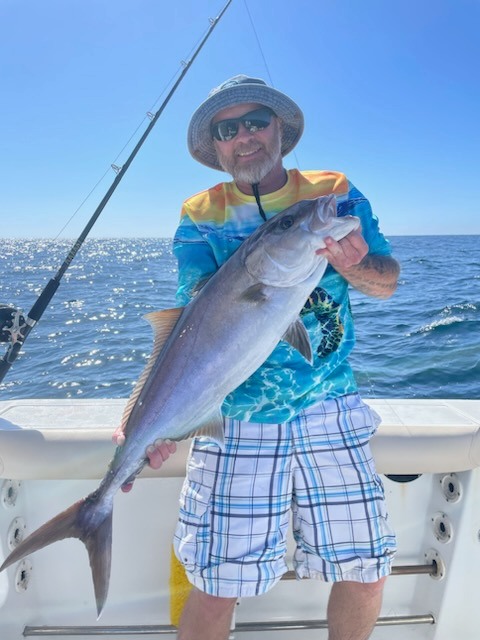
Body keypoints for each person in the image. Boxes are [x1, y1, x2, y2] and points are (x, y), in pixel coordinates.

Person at [116, 75, 400, 640]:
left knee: (367, 572)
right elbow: (187, 321)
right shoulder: (200, 212)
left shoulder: (333, 192)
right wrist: (155, 416)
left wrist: (350, 264)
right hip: (235, 417)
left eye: (256, 121)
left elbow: (386, 283)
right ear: (216, 145)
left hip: (329, 405)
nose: (244, 136)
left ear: (280, 129)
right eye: (228, 128)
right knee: (217, 584)